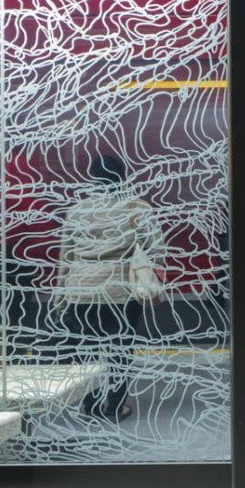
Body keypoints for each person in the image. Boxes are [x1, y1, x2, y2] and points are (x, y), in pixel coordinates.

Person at [52, 153, 165, 421]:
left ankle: (90, 405)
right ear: (122, 176)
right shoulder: (137, 208)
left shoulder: (77, 210)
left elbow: (65, 256)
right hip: (120, 290)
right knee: (119, 349)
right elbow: (157, 250)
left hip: (81, 288)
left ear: (93, 178)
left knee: (89, 350)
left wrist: (61, 293)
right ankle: (114, 408)